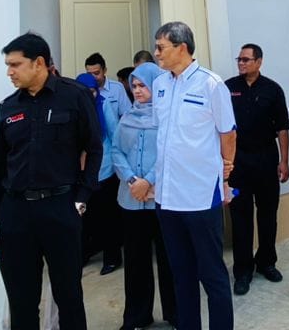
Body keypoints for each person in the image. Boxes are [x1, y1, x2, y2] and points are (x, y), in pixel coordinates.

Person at [0, 32, 102, 330]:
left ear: (38, 63)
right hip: (16, 214)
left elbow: (94, 148)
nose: (9, 72)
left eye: (15, 65)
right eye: (8, 65)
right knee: (22, 303)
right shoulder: (9, 106)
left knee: (69, 297)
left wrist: (83, 197)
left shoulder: (74, 96)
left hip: (60, 209)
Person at [151, 21, 237, 330]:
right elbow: (162, 133)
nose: (156, 53)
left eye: (161, 47)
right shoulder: (160, 84)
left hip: (200, 196)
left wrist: (226, 171)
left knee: (212, 274)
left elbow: (228, 133)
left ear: (182, 48)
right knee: (181, 274)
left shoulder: (211, 84)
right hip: (166, 197)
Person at [112, 62, 178, 330]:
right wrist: (132, 180)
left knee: (169, 259)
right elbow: (116, 150)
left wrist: (148, 181)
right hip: (131, 200)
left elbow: (169, 151)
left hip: (161, 199)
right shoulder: (127, 117)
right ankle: (137, 317)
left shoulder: (166, 116)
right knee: (136, 261)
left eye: (143, 86)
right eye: (134, 86)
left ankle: (176, 314)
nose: (137, 91)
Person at [225, 42, 289, 295]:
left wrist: (284, 161)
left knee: (267, 214)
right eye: (239, 59)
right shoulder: (228, 88)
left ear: (259, 62)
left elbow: (282, 128)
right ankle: (243, 270)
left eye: (246, 60)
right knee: (240, 217)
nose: (241, 63)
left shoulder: (272, 89)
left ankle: (266, 262)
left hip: (265, 160)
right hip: (238, 163)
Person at [77, 71, 123, 275]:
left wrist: (117, 166)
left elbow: (115, 136)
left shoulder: (103, 106)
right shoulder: (73, 109)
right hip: (81, 174)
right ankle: (85, 253)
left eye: (93, 91)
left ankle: (112, 258)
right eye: (85, 91)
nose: (90, 95)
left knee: (108, 217)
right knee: (84, 217)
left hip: (105, 170)